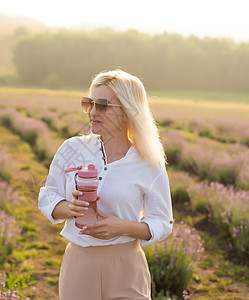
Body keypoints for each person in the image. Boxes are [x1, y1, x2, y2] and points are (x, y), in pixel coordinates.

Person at [38, 69, 173, 300]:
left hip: (127, 267)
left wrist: (122, 227)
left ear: (128, 111)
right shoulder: (72, 149)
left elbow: (162, 221)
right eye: (88, 103)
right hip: (79, 263)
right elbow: (48, 194)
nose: (92, 112)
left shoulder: (149, 162)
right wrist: (69, 208)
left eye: (102, 105)